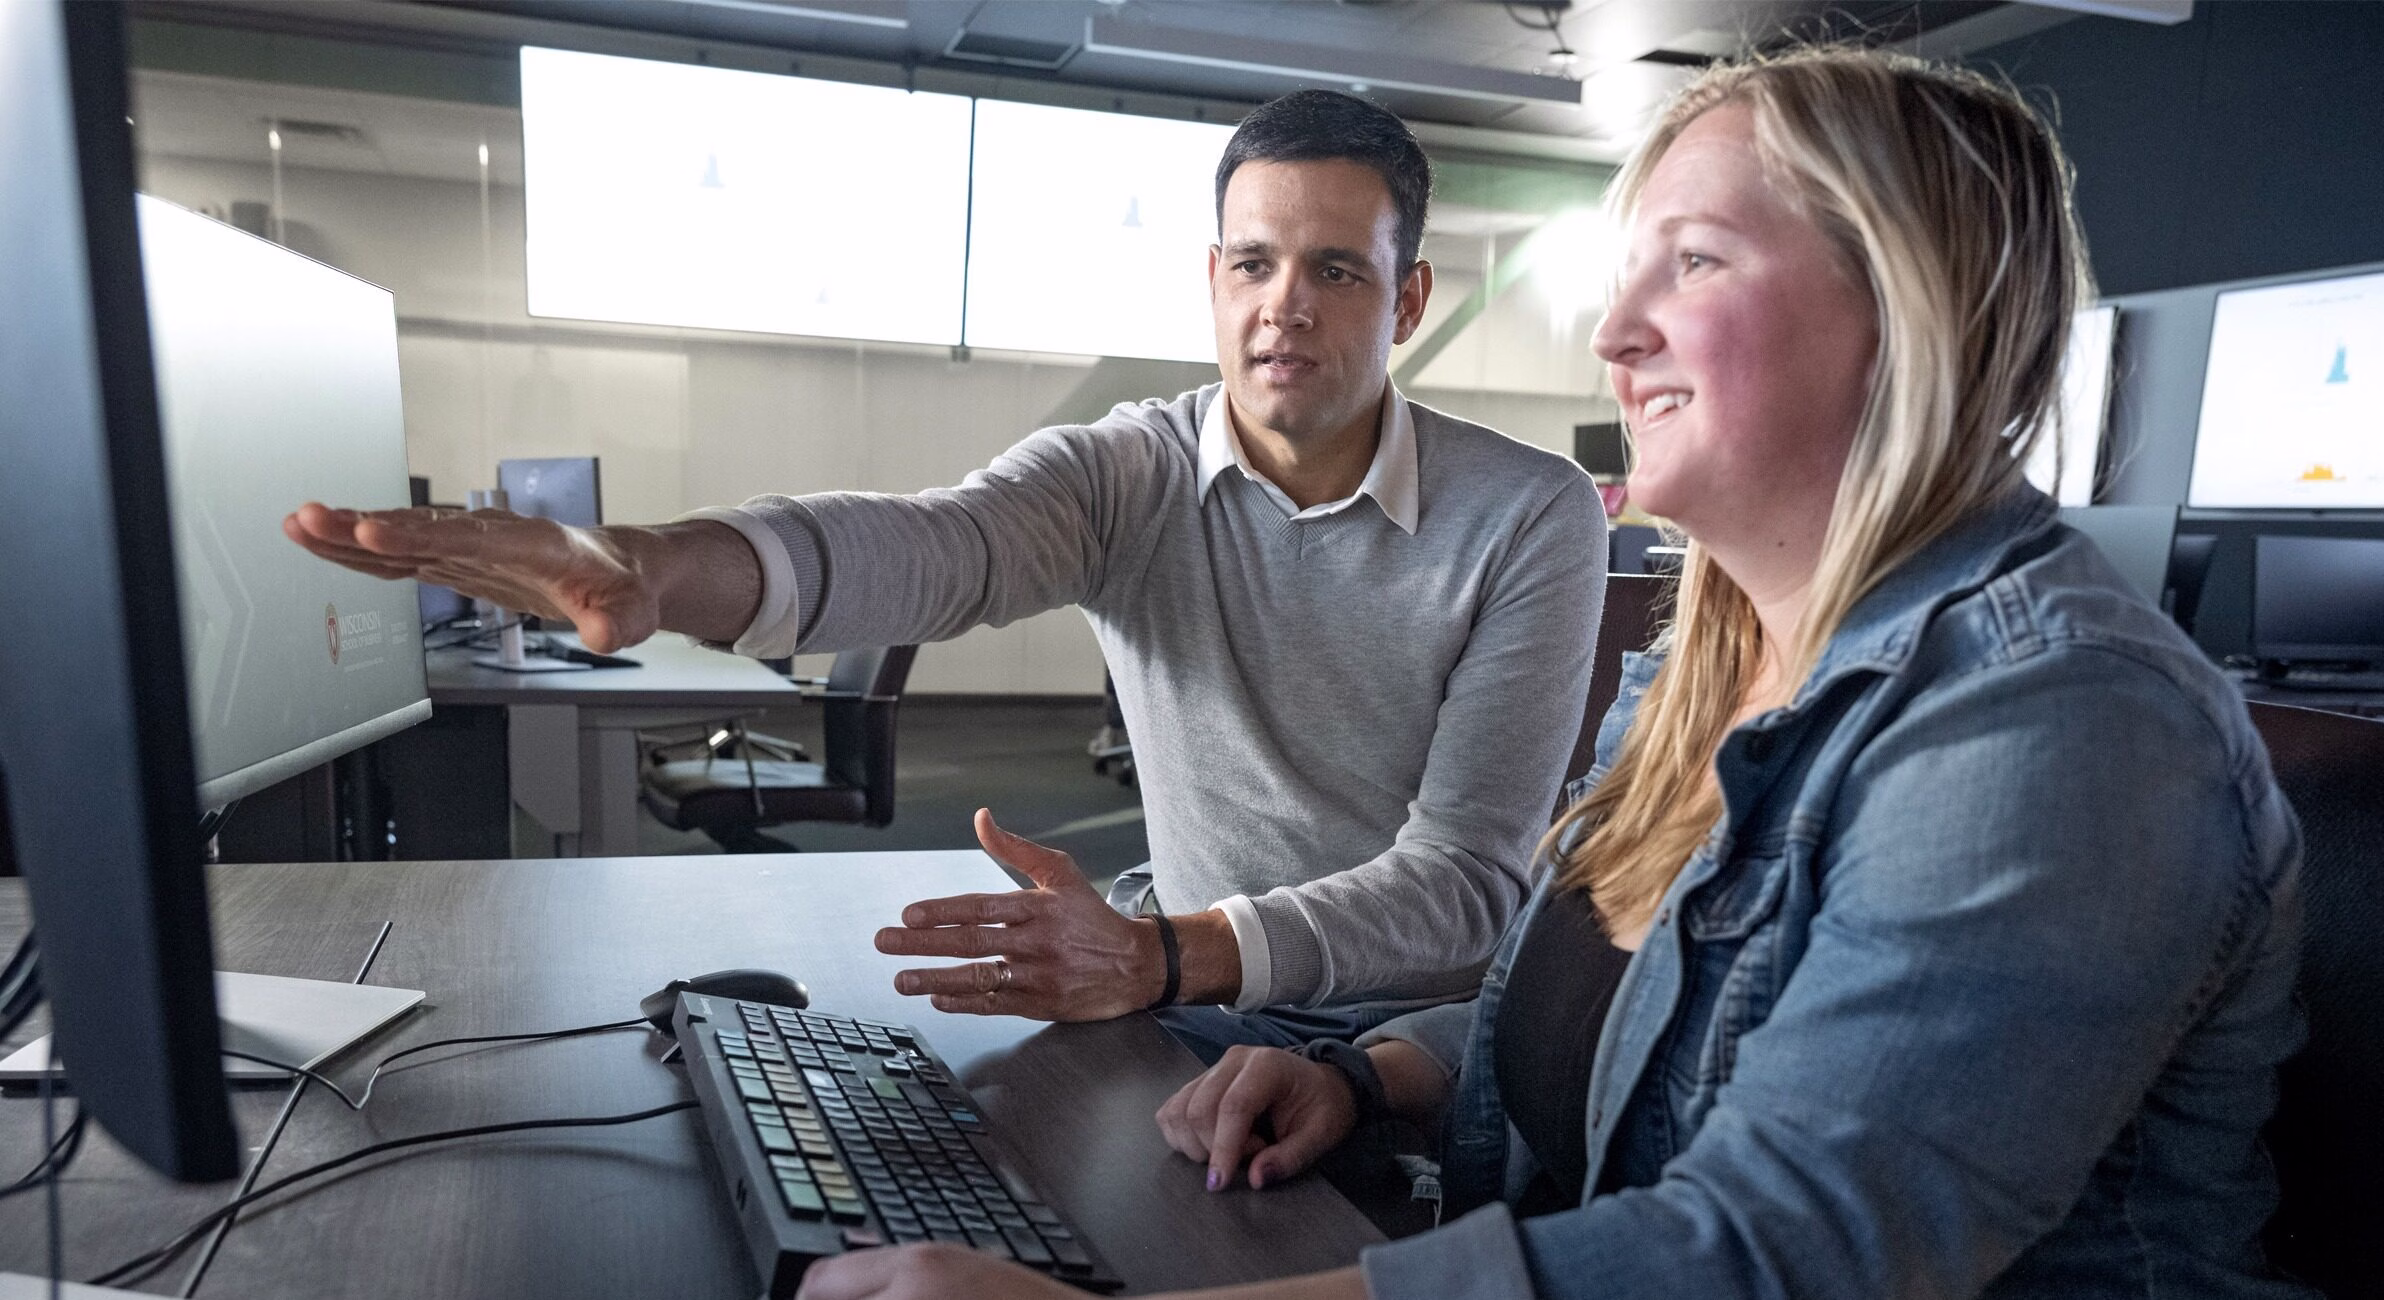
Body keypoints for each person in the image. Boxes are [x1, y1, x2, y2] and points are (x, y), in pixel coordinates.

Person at [792, 45, 2317, 1300]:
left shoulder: (2058, 728)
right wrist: (1382, 1076)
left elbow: (1788, 1256)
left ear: (1904, 306)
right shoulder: (1714, 656)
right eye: (1625, 269)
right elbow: (1627, 1009)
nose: (1612, 331)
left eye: (1697, 260)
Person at [284, 90, 1609, 1055]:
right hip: (1167, 990)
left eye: (1335, 271)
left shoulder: (1532, 515)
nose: (1286, 307)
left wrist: (1166, 957)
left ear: (1412, 297)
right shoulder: (1133, 473)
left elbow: (1464, 889)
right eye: (1254, 264)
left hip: (1400, 1044)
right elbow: (941, 545)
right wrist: (655, 569)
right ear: (1212, 279)